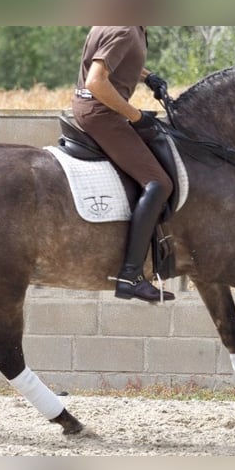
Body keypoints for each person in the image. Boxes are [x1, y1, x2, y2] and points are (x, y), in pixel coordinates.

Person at [72, 26, 175, 302]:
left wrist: (147, 76)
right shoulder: (127, 30)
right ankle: (131, 275)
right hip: (101, 114)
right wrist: (135, 115)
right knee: (158, 183)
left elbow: (116, 59)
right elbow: (96, 81)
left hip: (91, 109)